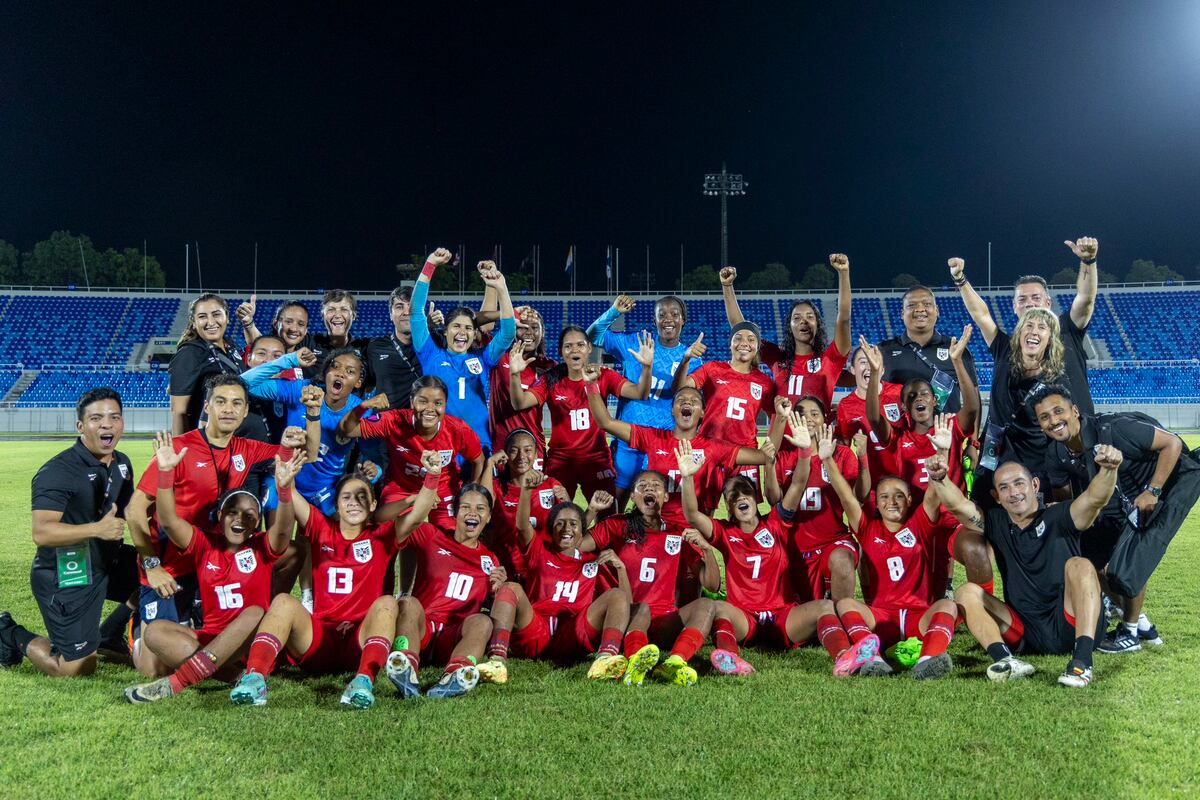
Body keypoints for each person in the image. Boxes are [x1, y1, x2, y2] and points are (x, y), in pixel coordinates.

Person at [125, 375, 309, 677]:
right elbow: (135, 512)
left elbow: (300, 457)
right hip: (169, 566)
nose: (229, 409)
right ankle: (134, 630)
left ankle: (268, 616)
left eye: (237, 403)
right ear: (207, 407)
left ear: (246, 409)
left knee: (290, 551)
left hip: (212, 563)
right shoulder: (180, 449)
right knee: (154, 668)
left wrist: (290, 444)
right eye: (221, 401)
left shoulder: (246, 448)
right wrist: (152, 565)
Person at [229, 451, 443, 708]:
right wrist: (283, 483)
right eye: (347, 497)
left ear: (373, 505)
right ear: (337, 505)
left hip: (360, 640)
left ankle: (363, 681)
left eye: (362, 496)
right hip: (320, 638)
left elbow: (418, 514)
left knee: (388, 602)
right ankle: (255, 678)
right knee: (284, 602)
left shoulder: (382, 536)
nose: (354, 502)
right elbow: (292, 498)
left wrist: (433, 476)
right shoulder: (321, 528)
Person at [677, 429, 881, 678]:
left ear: (755, 499)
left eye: (746, 492)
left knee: (825, 606)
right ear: (728, 507)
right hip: (745, 617)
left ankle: (843, 658)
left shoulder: (775, 523)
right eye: (733, 495)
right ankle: (730, 658)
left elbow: (797, 484)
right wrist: (687, 479)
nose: (741, 497)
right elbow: (692, 515)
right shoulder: (724, 532)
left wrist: (805, 452)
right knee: (718, 608)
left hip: (782, 615)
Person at [122, 439, 304, 703]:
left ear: (257, 524)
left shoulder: (261, 547)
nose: (240, 519)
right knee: (155, 632)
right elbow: (170, 522)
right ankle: (237, 676)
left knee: (255, 612)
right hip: (211, 641)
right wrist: (165, 474)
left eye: (250, 515)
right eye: (232, 512)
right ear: (219, 516)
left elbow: (285, 532)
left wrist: (285, 491)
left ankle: (176, 682)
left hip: (250, 643)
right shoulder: (204, 544)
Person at [1033, 384, 1200, 652]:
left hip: (1150, 495)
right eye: (1045, 417)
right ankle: (1142, 624)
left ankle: (1130, 632)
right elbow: (1067, 504)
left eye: (1058, 411)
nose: (1054, 421)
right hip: (1111, 504)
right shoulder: (1056, 453)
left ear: (1074, 411)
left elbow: (1173, 443)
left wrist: (1152, 491)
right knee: (1088, 561)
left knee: (1126, 565)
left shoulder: (1115, 429)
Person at [937, 449, 1123, 687]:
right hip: (1026, 632)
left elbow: (1095, 499)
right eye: (1004, 487)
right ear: (996, 496)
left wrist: (1109, 469)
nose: (1013, 493)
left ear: (1034, 485)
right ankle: (1006, 660)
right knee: (966, 592)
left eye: (1019, 483)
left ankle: (1082, 662)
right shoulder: (996, 522)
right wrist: (939, 477)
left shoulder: (1061, 515)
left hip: (1070, 622)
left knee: (1081, 565)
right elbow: (959, 507)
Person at [0, 388, 139, 677]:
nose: (107, 424)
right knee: (74, 668)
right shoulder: (58, 471)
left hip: (107, 561)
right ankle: (9, 632)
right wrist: (97, 529)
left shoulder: (122, 463)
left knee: (167, 574)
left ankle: (111, 636)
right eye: (96, 418)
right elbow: (42, 533)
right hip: (67, 568)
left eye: (115, 417)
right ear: (80, 426)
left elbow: (133, 512)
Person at [821, 430, 961, 680]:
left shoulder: (920, 523)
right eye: (884, 496)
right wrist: (827, 459)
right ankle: (872, 660)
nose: (892, 502)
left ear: (909, 499)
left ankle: (928, 662)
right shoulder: (867, 528)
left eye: (899, 495)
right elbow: (846, 497)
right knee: (844, 603)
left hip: (918, 615)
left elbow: (933, 491)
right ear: (877, 501)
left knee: (948, 604)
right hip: (880, 618)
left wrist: (942, 451)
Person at [475, 475, 633, 684]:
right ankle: (497, 660)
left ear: (582, 530)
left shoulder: (592, 562)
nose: (567, 529)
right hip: (536, 628)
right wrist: (526, 490)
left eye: (573, 524)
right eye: (560, 523)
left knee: (616, 594)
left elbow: (624, 602)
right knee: (510, 588)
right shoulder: (539, 549)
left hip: (573, 633)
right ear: (551, 530)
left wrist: (620, 568)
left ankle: (605, 658)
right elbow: (522, 527)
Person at [582, 470, 717, 688]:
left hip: (664, 620)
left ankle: (675, 662)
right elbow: (575, 545)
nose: (649, 489)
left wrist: (708, 551)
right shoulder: (617, 526)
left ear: (665, 497)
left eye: (656, 486)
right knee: (642, 607)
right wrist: (591, 512)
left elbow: (712, 584)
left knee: (707, 604)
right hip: (628, 616)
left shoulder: (676, 533)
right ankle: (636, 659)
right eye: (642, 486)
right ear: (633, 497)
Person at [382, 480, 508, 701]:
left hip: (453, 638)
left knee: (483, 621)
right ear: (454, 512)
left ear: (488, 517)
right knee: (408, 603)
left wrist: (498, 590)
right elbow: (389, 523)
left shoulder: (490, 560)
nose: (473, 513)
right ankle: (406, 665)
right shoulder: (431, 535)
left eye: (480, 509)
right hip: (421, 629)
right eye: (466, 507)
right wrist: (415, 501)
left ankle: (455, 674)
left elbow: (493, 609)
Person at [507, 326, 653, 501]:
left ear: (589, 348)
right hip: (561, 460)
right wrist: (515, 374)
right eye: (568, 346)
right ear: (561, 351)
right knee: (555, 515)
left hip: (596, 458)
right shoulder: (551, 378)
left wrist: (646, 368)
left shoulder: (603, 375)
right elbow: (519, 403)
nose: (574, 350)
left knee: (605, 514)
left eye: (580, 345)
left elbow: (640, 393)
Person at [587, 382, 766, 522]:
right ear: (673, 410)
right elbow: (605, 422)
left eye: (694, 401)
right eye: (680, 400)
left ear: (703, 412)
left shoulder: (713, 447)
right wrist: (591, 384)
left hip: (692, 529)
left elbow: (763, 457)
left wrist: (781, 421)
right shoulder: (653, 437)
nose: (687, 402)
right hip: (656, 525)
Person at [587, 294, 698, 508]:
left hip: (663, 442)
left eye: (675, 314)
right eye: (662, 314)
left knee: (661, 509)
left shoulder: (693, 358)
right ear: (654, 319)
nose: (668, 319)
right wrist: (614, 312)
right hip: (629, 438)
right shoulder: (635, 342)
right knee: (613, 506)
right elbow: (592, 336)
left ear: (683, 319)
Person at [337, 375, 484, 530]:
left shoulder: (458, 429)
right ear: (412, 401)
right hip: (402, 488)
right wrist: (363, 406)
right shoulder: (394, 420)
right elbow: (348, 429)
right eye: (423, 401)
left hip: (442, 490)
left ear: (445, 405)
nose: (430, 408)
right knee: (381, 530)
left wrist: (469, 493)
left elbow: (479, 460)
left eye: (438, 403)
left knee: (450, 538)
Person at [411, 250, 516, 453]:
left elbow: (508, 334)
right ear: (446, 330)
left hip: (480, 444)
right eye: (456, 327)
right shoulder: (431, 354)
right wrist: (430, 264)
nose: (462, 332)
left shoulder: (484, 358)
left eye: (468, 328)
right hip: (441, 445)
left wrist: (501, 288)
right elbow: (416, 311)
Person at [719, 255, 852, 411]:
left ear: (818, 325)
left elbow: (843, 318)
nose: (804, 321)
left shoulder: (829, 359)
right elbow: (741, 328)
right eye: (797, 318)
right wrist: (727, 286)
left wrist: (844, 273)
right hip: (780, 435)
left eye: (810, 317)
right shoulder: (777, 357)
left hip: (815, 435)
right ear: (790, 327)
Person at [765, 403, 859, 602]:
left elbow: (854, 498)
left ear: (824, 418)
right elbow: (774, 501)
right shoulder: (784, 457)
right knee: (804, 614)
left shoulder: (842, 454)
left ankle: (847, 625)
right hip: (793, 546)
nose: (807, 418)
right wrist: (769, 466)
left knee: (842, 562)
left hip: (832, 541)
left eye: (814, 413)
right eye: (800, 414)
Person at [671, 322, 776, 488]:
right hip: (709, 449)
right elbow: (679, 389)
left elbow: (776, 416)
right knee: (702, 509)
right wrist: (686, 359)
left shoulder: (765, 382)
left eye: (751, 339)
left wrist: (771, 444)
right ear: (730, 343)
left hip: (745, 453)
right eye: (738, 338)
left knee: (745, 510)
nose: (744, 343)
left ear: (757, 346)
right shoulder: (712, 369)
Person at [170, 293, 268, 440]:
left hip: (244, 447)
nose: (210, 322)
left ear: (227, 317)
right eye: (202, 317)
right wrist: (182, 452)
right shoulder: (190, 353)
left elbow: (266, 353)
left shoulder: (230, 347)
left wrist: (248, 323)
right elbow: (179, 412)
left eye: (216, 314)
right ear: (194, 322)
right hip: (217, 449)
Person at [876, 284, 981, 416]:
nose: (920, 309)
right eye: (912, 305)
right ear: (902, 314)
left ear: (937, 310)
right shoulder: (883, 351)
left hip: (946, 434)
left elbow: (974, 399)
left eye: (926, 304)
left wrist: (974, 436)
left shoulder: (956, 349)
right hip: (900, 435)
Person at [481, 429, 571, 581]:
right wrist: (489, 464)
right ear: (506, 455)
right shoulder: (497, 486)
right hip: (506, 569)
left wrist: (567, 501)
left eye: (528, 450)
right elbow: (483, 503)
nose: (521, 456)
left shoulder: (551, 485)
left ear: (536, 454)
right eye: (514, 451)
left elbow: (569, 530)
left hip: (543, 569)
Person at [490, 306, 555, 460]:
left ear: (543, 332)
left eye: (534, 327)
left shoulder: (549, 367)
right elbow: (479, 324)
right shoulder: (498, 356)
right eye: (522, 326)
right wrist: (510, 313)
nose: (529, 332)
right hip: (500, 447)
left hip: (533, 449)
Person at [364, 286, 441, 411]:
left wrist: (428, 328)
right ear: (390, 314)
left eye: (411, 307)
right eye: (399, 307)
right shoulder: (375, 347)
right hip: (386, 426)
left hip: (423, 424)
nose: (406, 312)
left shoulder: (434, 343)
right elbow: (368, 383)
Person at [235, 297, 311, 359]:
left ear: (305, 330)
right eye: (288, 322)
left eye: (301, 324)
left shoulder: (306, 358)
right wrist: (248, 323)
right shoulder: (260, 357)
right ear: (275, 324)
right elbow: (257, 342)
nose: (294, 329)